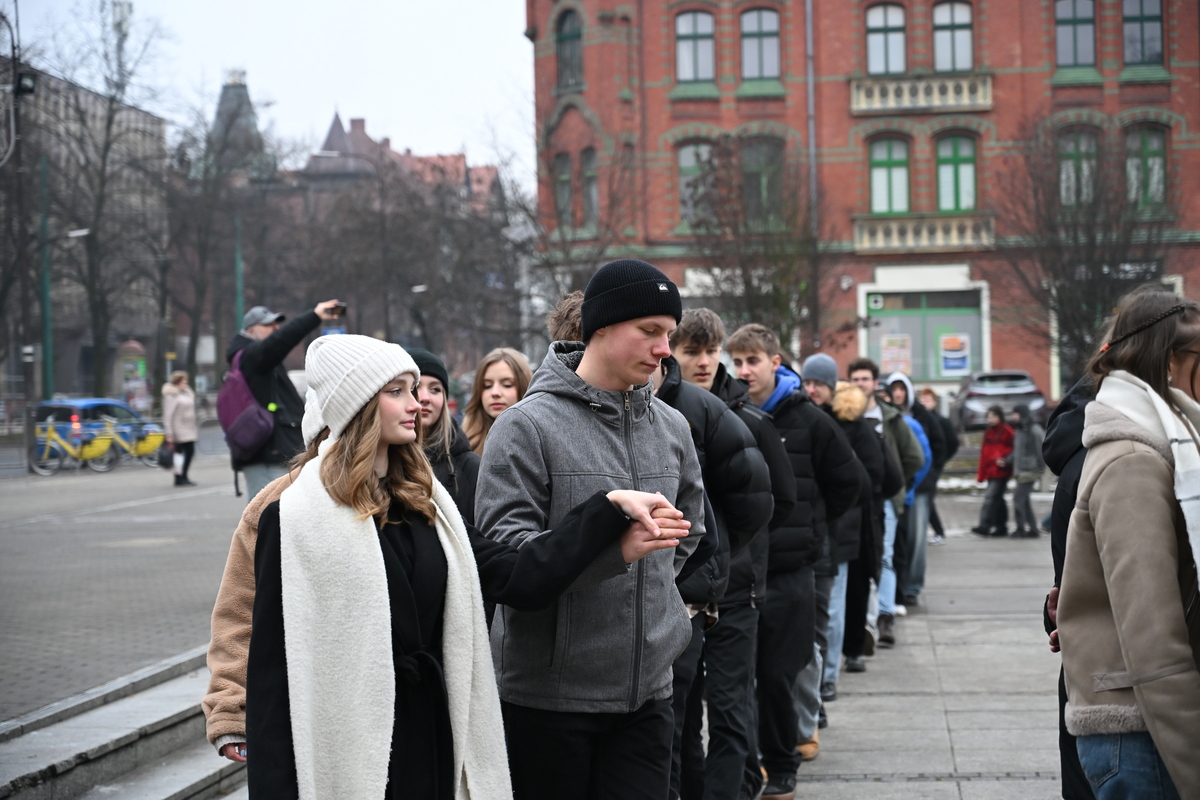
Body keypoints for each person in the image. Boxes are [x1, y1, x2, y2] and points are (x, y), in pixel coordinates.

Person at [242, 334, 690, 799]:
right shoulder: (295, 517)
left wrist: (607, 513)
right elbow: (275, 674)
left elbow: (518, 576)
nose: (416, 404)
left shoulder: (429, 509)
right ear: (356, 405)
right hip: (356, 742)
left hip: (432, 737)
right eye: (395, 392)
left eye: (413, 390)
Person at [475, 259, 707, 800]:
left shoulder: (671, 425)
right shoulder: (525, 427)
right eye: (649, 331)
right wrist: (616, 555)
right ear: (600, 328)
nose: (664, 349)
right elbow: (509, 561)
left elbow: (687, 533)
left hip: (649, 694)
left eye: (668, 334)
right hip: (547, 701)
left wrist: (655, 615)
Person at [1057, 287, 1200, 798]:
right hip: (1142, 732)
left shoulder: (1163, 447)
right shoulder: (1135, 460)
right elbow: (1151, 630)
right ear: (1168, 363)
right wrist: (1192, 757)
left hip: (1144, 725)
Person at [728, 325, 859, 799]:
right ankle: (751, 762)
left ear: (775, 362)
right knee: (739, 678)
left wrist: (810, 526)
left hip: (790, 568)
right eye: (737, 362)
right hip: (743, 570)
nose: (744, 371)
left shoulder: (809, 419)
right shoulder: (730, 416)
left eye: (753, 361)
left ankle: (782, 762)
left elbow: (849, 482)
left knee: (781, 672)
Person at [672, 308, 797, 800]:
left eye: (711, 350)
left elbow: (776, 503)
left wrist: (729, 551)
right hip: (680, 590)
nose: (704, 362)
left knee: (729, 707)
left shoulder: (750, 420)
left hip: (736, 590)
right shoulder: (659, 418)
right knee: (679, 711)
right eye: (692, 351)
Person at [804, 363, 884, 700]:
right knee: (817, 611)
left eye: (819, 383)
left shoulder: (852, 424)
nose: (812, 389)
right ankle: (819, 676)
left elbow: (871, 480)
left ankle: (827, 678)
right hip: (812, 529)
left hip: (843, 530)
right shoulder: (801, 418)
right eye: (806, 382)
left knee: (833, 609)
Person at [1040, 378, 1097, 800]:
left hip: (1085, 655)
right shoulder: (1116, 460)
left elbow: (1069, 580)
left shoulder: (1078, 456)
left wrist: (1062, 606)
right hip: (1118, 671)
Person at [225, 301, 342, 500]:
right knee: (267, 515)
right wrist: (313, 316)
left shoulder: (258, 359)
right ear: (251, 330)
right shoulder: (252, 358)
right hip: (267, 451)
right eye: (268, 325)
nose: (275, 329)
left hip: (271, 448)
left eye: (276, 324)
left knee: (280, 513)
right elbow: (280, 341)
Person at [847, 358, 924, 649]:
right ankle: (863, 619)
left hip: (885, 500)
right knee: (858, 559)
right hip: (853, 501)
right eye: (856, 379)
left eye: (865, 379)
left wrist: (894, 483)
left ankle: (885, 615)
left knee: (885, 556)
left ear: (875, 383)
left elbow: (915, 457)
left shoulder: (891, 417)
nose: (860, 384)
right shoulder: (844, 414)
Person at [886, 372, 944, 607]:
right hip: (897, 487)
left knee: (917, 539)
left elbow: (940, 445)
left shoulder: (922, 416)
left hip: (920, 487)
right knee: (899, 539)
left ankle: (912, 586)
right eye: (894, 389)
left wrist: (931, 474)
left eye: (902, 388)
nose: (898, 393)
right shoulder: (886, 414)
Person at [408, 348, 480, 525]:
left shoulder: (470, 467)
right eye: (415, 388)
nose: (424, 398)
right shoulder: (379, 465)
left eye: (435, 389)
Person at [462, 347, 532, 455]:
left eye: (507, 384)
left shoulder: (540, 441)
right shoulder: (461, 446)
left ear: (524, 388)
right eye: (487, 386)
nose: (495, 393)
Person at [918, 388, 959, 545]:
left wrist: (940, 461)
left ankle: (938, 531)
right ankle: (930, 530)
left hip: (933, 467)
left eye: (928, 399)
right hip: (921, 466)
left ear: (935, 402)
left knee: (927, 499)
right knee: (925, 499)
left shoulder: (941, 421)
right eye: (922, 399)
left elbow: (952, 443)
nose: (924, 402)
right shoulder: (919, 419)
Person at [974, 406, 1014, 537]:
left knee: (990, 497)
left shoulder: (1006, 431)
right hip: (991, 469)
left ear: (999, 417)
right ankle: (1001, 527)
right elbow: (985, 453)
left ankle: (984, 525)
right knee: (998, 499)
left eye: (993, 416)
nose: (990, 419)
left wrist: (1005, 460)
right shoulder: (989, 432)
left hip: (1001, 470)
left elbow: (1014, 449)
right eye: (989, 417)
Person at [1010, 403, 1045, 538]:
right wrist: (1007, 460)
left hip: (1030, 470)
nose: (1013, 417)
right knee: (1024, 500)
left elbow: (1041, 449)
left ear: (1022, 415)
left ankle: (1020, 529)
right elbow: (1017, 451)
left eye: (1015, 414)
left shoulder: (1034, 430)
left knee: (1018, 498)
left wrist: (1041, 467)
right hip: (1020, 470)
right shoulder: (1020, 430)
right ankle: (1033, 529)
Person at [162, 371, 198, 487]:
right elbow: (168, 415)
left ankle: (184, 475)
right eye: (183, 381)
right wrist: (169, 433)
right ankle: (179, 477)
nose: (185, 383)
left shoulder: (186, 393)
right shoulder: (172, 395)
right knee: (179, 454)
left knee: (190, 452)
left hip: (189, 428)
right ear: (177, 382)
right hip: (178, 428)